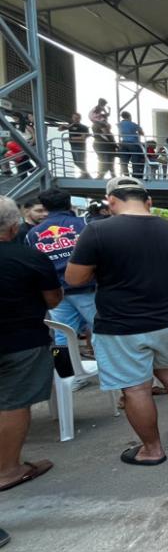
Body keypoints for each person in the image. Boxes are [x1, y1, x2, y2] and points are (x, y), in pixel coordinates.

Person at [65, 177, 168, 465]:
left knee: (135, 388)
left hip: (121, 325)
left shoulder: (97, 231)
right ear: (148, 201)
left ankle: (152, 449)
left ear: (111, 201)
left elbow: (74, 279)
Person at [0, 195, 61, 491]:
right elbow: (53, 298)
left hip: (26, 338)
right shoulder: (30, 255)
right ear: (14, 225)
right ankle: (9, 468)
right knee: (14, 403)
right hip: (22, 340)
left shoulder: (34, 243)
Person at [25, 188, 96, 348]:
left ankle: (66, 371)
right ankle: (105, 369)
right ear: (69, 204)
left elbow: (34, 263)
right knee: (102, 332)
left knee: (63, 336)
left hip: (56, 292)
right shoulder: (85, 224)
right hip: (88, 288)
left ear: (45, 207)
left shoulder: (33, 234)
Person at [58, 112, 90, 177]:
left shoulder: (83, 127)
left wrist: (70, 138)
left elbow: (82, 138)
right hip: (73, 146)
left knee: (80, 161)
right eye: (74, 118)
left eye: (76, 118)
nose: (75, 119)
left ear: (79, 118)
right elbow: (59, 129)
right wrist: (65, 125)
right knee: (76, 162)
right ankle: (85, 174)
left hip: (80, 146)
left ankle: (86, 174)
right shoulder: (71, 125)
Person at [116, 111, 144, 179]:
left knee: (124, 161)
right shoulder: (133, 124)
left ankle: (126, 176)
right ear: (129, 116)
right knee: (135, 160)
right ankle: (135, 176)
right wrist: (137, 133)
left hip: (124, 143)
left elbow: (120, 133)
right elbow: (141, 132)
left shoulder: (119, 124)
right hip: (133, 143)